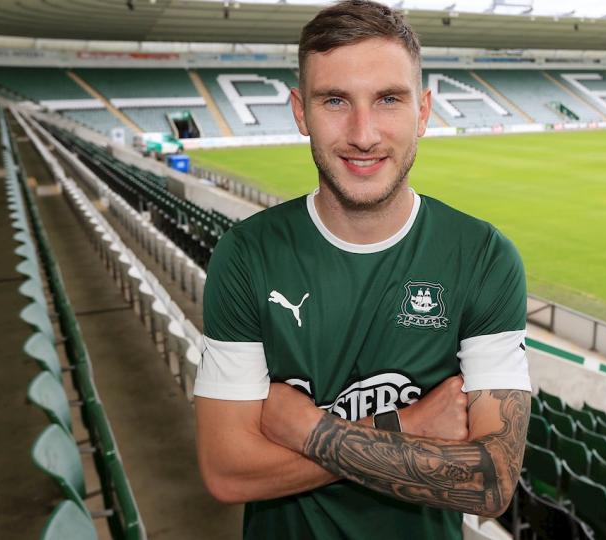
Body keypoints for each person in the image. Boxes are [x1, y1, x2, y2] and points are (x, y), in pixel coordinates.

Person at [194, 1, 532, 538]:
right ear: (300, 112)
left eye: (388, 99)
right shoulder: (246, 255)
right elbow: (227, 473)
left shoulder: (483, 257)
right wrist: (408, 424)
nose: (364, 134)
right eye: (335, 100)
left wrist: (307, 428)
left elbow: (491, 484)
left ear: (423, 111)